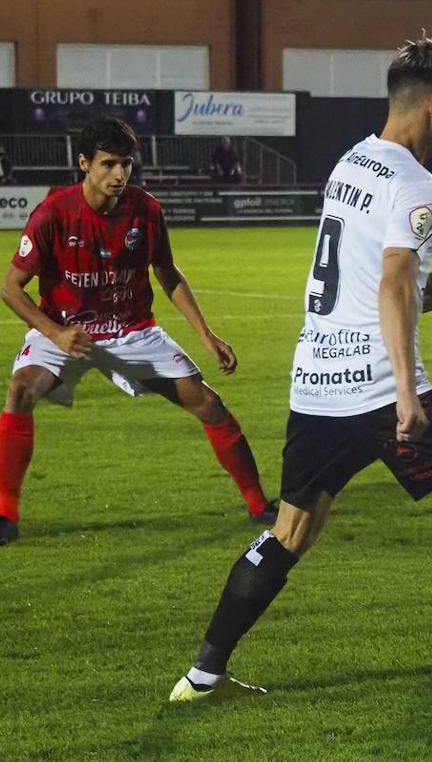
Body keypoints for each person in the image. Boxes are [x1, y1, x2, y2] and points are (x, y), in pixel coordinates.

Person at [167, 38, 432, 725]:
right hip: (376, 388)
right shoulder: (420, 184)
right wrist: (405, 392)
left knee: (291, 530)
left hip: (314, 383)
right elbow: (395, 281)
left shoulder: (353, 161)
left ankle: (201, 674)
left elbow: (392, 279)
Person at [0, 116, 275, 547]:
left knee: (208, 402)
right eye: (108, 164)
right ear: (84, 164)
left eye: (125, 164)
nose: (119, 174)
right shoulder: (53, 213)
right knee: (20, 391)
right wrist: (55, 334)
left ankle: (260, 504)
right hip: (67, 329)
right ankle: (5, 515)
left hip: (133, 332)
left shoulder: (145, 209)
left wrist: (207, 334)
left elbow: (167, 272)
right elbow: (11, 287)